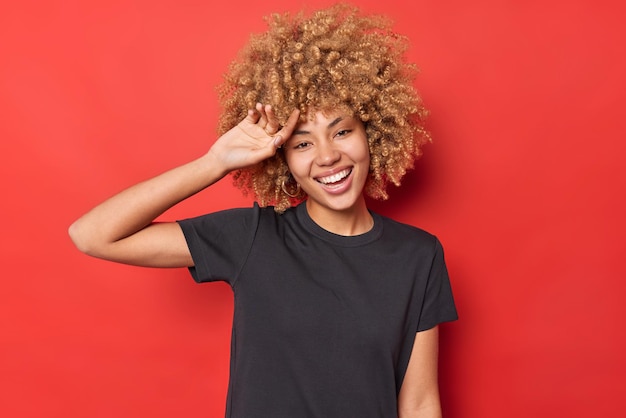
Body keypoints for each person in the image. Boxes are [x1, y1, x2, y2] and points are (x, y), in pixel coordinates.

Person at [69, 3, 457, 417]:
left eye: (342, 131)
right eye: (302, 143)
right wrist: (214, 162)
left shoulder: (418, 255)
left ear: (373, 133)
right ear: (282, 159)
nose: (327, 156)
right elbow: (92, 235)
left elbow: (418, 403)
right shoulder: (253, 239)